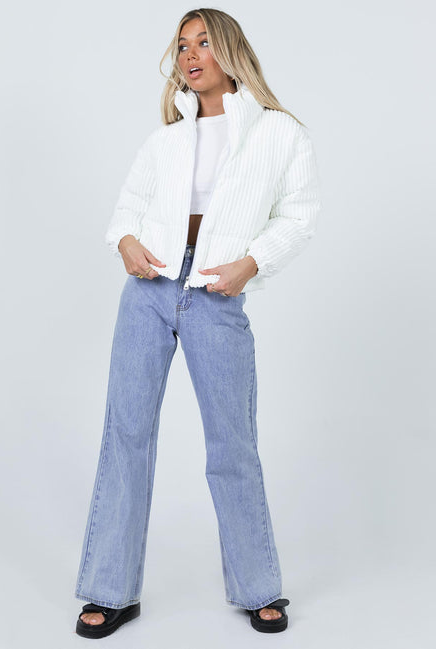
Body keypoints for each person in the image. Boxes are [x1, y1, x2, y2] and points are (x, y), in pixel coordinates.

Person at [74, 7, 321, 639]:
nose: (189, 54)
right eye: (182, 45)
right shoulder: (165, 140)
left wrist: (251, 263)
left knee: (232, 444)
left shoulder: (279, 133)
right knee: (126, 435)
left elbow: (298, 216)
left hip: (215, 292)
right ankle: (110, 590)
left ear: (229, 50)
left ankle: (258, 587)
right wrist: (127, 243)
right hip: (148, 289)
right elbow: (126, 211)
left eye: (203, 42)